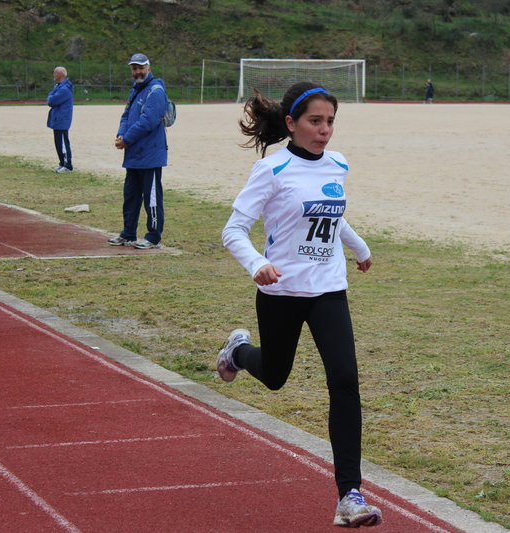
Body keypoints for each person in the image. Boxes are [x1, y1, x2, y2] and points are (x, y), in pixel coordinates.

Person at [217, 81, 382, 528]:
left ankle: (350, 495)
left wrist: (359, 247)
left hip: (328, 288)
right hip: (281, 291)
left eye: (330, 121)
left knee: (345, 381)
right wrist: (257, 264)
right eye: (315, 121)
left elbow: (331, 213)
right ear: (291, 123)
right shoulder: (271, 170)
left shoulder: (338, 164)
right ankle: (236, 351)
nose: (325, 130)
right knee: (274, 375)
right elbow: (233, 230)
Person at [109, 53, 168, 250]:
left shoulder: (156, 91)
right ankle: (128, 234)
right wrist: (121, 135)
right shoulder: (135, 90)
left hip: (150, 154)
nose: (137, 72)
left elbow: (148, 121)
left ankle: (153, 236)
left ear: (148, 68)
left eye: (140, 67)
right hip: (134, 153)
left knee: (151, 198)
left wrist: (126, 139)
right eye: (134, 68)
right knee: (131, 196)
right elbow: (126, 115)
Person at [47, 67, 74, 173]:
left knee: (63, 142)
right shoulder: (59, 87)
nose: (53, 75)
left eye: (54, 73)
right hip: (57, 118)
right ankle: (62, 163)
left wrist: (50, 96)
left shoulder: (64, 89)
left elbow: (51, 100)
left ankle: (68, 165)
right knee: (58, 142)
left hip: (62, 119)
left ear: (59, 75)